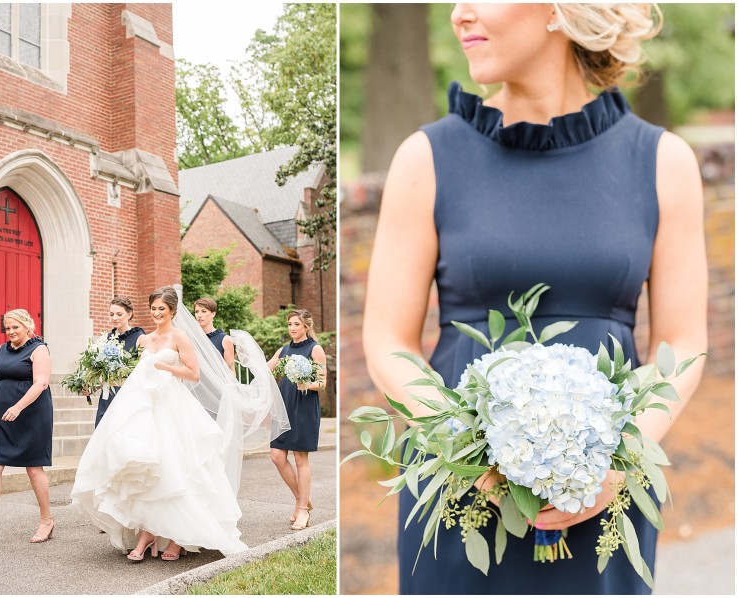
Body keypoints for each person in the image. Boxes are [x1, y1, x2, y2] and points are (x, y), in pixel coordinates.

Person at [362, 4, 707, 594]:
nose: (458, 14)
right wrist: (467, 445)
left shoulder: (661, 161)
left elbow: (684, 342)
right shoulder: (425, 158)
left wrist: (619, 459)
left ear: (556, 9)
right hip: (460, 492)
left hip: (605, 497)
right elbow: (387, 339)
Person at [71, 286, 289, 561]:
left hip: (173, 405)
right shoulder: (144, 340)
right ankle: (148, 532)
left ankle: (177, 536)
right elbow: (135, 375)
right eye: (153, 308)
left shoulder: (181, 336)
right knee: (148, 466)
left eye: (162, 308)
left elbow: (193, 374)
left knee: (177, 466)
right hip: (146, 406)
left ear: (173, 311)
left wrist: (165, 368)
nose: (157, 313)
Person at [0, 308, 55, 547]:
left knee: (33, 469)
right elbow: (4, 374)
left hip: (31, 415)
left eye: (15, 327)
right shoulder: (1, 349)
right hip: (2, 416)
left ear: (28, 326)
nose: (10, 332)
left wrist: (18, 407)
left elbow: (41, 382)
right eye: (7, 328)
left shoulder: (39, 349)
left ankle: (46, 520)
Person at [268, 309, 327, 531]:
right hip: (283, 407)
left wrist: (307, 384)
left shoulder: (315, 349)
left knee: (300, 458)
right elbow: (267, 368)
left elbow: (322, 383)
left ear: (306, 327)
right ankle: (302, 499)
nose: (292, 328)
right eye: (290, 324)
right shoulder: (283, 350)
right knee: (277, 456)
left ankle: (302, 509)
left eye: (296, 324)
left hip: (303, 406)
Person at [91, 296, 145, 427]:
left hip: (128, 397)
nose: (114, 318)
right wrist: (91, 387)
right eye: (111, 314)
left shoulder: (140, 338)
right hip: (107, 397)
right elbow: (101, 373)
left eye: (119, 314)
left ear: (129, 314)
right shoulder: (106, 339)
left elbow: (143, 372)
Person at [194, 297, 235, 370]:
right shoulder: (191, 337)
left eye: (203, 311)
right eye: (197, 311)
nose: (199, 315)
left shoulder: (225, 339)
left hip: (218, 381)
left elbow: (231, 370)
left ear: (213, 314)